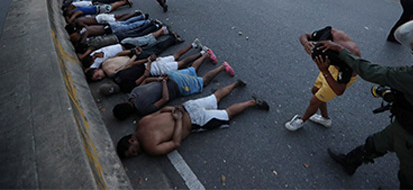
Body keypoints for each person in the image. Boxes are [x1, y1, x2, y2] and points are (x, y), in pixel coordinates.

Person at [323, 18, 413, 189]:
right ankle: (350, 162)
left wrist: (341, 50)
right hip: (408, 127)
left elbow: (372, 72)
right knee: (376, 143)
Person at [116, 81, 269, 157]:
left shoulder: (150, 148)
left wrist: (177, 120)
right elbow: (163, 110)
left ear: (131, 140)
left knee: (227, 113)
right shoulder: (142, 122)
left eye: (133, 151)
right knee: (215, 97)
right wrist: (176, 111)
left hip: (195, 120)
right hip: (187, 107)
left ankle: (252, 102)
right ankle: (235, 83)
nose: (136, 153)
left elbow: (176, 143)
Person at [112, 50, 231, 118]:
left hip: (176, 86)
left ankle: (222, 67)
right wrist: (160, 79)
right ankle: (206, 54)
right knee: (192, 70)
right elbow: (147, 80)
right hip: (169, 76)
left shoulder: (143, 110)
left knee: (202, 82)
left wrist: (163, 82)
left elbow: (166, 98)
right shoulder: (133, 92)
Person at [285, 26, 361, 131]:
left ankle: (302, 120)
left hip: (339, 77)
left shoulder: (349, 61)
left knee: (315, 100)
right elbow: (305, 35)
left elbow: (339, 90)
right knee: (315, 90)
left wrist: (325, 71)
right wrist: (306, 43)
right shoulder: (330, 34)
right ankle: (325, 119)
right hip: (329, 68)